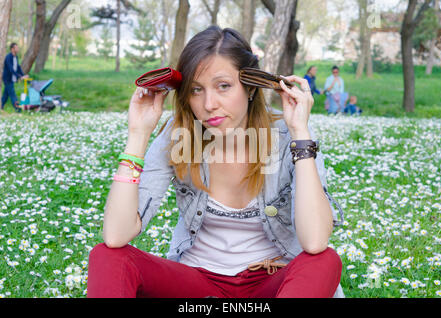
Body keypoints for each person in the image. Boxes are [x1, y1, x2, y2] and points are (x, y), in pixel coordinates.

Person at [87, 26, 344, 298]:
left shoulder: (288, 133)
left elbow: (315, 241)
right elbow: (116, 235)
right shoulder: (179, 135)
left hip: (273, 282)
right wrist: (138, 134)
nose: (209, 104)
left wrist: (301, 135)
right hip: (197, 283)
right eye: (196, 90)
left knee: (324, 260)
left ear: (249, 87)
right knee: (108, 256)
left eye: (224, 86)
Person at [1, 43, 28, 113]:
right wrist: (20, 77)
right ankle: (18, 110)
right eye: (16, 48)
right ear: (12, 49)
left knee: (6, 94)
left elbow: (18, 67)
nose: (18, 49)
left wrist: (23, 75)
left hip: (12, 79)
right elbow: (11, 69)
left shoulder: (16, 57)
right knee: (13, 94)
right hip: (7, 78)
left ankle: (1, 106)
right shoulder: (8, 57)